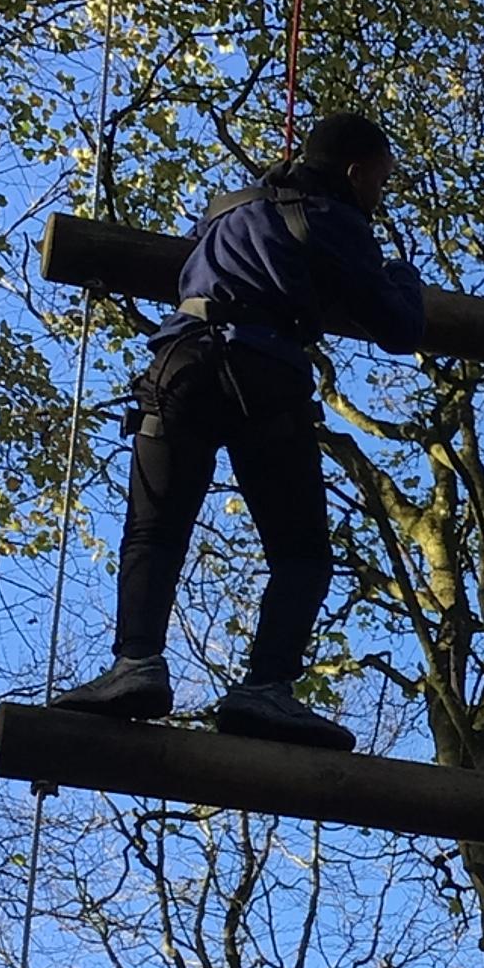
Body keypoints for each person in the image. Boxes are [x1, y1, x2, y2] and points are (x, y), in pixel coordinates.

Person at [51, 113, 423, 750]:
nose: (378, 197)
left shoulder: (227, 208)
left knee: (154, 529)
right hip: (265, 373)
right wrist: (402, 276)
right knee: (302, 553)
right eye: (379, 182)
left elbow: (212, 250)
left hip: (180, 366)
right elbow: (399, 327)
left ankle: (135, 663)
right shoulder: (337, 220)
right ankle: (266, 687)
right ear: (355, 171)